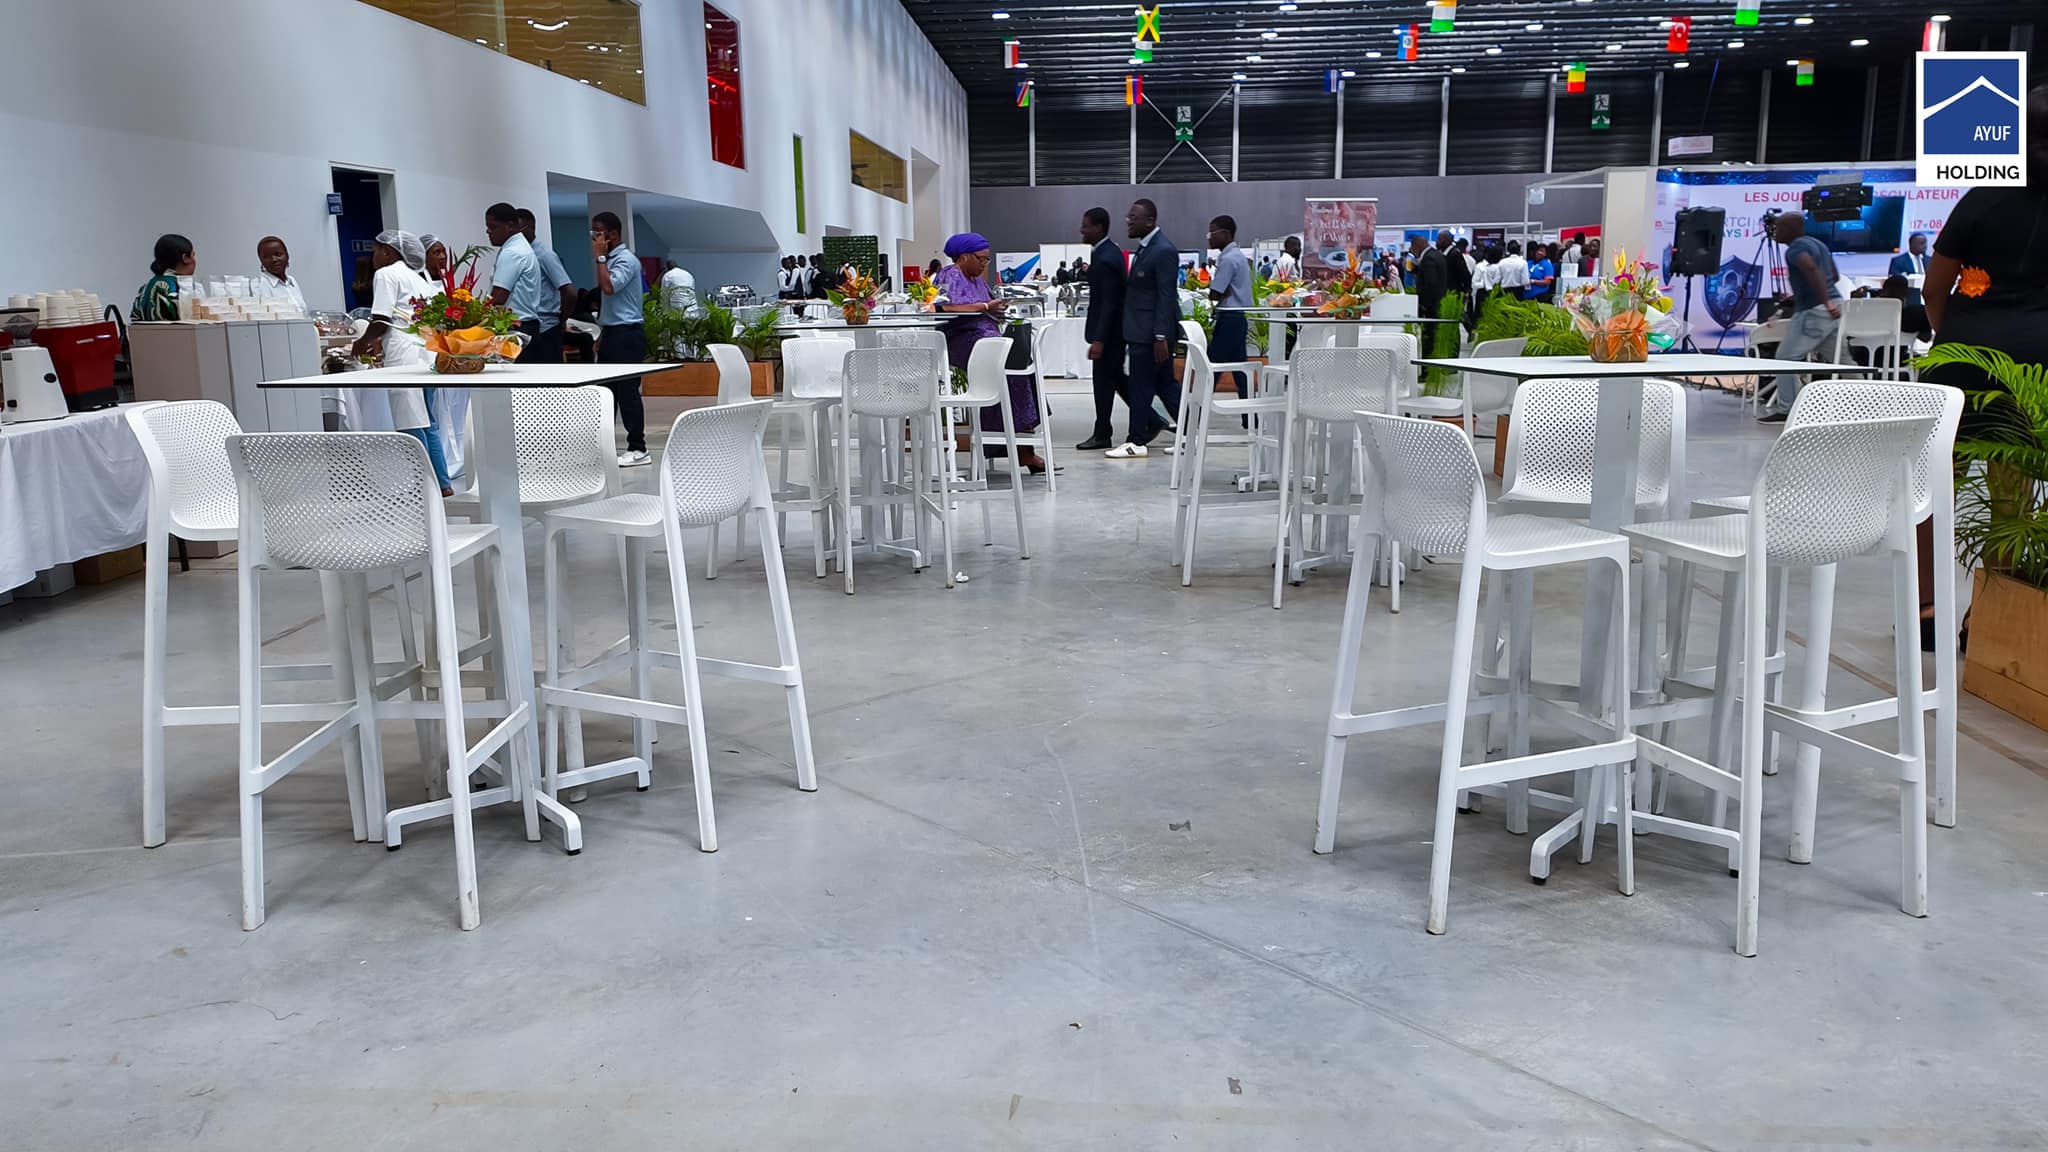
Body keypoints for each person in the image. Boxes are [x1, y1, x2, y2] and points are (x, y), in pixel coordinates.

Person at [1919, 83, 2048, 644]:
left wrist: (1955, 338)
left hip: (1961, 358)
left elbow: (1934, 287)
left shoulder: (1983, 197)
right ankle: (1986, 618)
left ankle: (1925, 612)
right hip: (2032, 367)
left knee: (1935, 486)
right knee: (2010, 495)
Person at [933, 233, 1047, 472]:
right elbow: (943, 306)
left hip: (986, 338)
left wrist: (996, 310)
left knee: (1021, 367)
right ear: (964, 257)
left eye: (987, 260)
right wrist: (985, 307)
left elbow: (987, 305)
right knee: (1005, 371)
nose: (985, 264)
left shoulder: (978, 280)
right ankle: (1022, 449)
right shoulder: (950, 275)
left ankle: (1024, 439)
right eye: (981, 259)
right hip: (963, 340)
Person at [349, 230, 451, 495]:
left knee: (410, 423)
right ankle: (442, 483)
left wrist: (362, 342)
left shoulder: (386, 274)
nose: (373, 256)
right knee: (428, 423)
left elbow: (382, 319)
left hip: (404, 355)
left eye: (375, 250)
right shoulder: (418, 279)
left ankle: (424, 487)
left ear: (388, 251)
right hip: (426, 353)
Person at [1107, 197, 1180, 459]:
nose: (1128, 221)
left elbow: (1166, 296)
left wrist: (1160, 335)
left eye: (1133, 217)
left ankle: (1136, 441)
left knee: (1140, 387)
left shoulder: (1163, 250)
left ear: (1150, 220)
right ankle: (1191, 435)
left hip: (1150, 335)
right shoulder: (1146, 248)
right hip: (1144, 332)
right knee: (1166, 386)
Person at [1756, 211, 1842, 423]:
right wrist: (1809, 296)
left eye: (1779, 228)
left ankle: (1788, 410)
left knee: (1785, 359)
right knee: (1843, 360)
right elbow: (1834, 275)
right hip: (1834, 306)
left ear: (1790, 230)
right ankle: (1869, 403)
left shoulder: (1795, 249)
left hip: (1814, 310)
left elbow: (1810, 268)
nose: (1775, 232)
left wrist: (1824, 301)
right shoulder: (1818, 244)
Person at [591, 210, 650, 467]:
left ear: (612, 234)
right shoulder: (609, 260)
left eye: (598, 233)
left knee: (627, 393)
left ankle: (638, 447)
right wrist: (603, 333)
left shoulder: (626, 260)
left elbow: (609, 288)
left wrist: (600, 257)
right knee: (606, 393)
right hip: (613, 333)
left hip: (627, 334)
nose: (594, 238)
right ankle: (603, 446)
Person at [1077, 207, 1128, 451]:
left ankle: (1102, 433)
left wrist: (1099, 339)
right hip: (1113, 332)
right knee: (1115, 379)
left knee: (1103, 384)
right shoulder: (1105, 252)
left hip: (1110, 334)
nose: (1081, 230)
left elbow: (1109, 302)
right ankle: (1151, 419)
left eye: (1085, 226)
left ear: (1098, 228)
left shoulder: (1106, 258)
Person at [512, 208, 576, 364]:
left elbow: (569, 292)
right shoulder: (519, 254)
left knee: (549, 377)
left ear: (529, 228)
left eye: (516, 229)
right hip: (528, 329)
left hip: (546, 329)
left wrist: (561, 319)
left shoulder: (544, 254)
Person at [484, 201, 544, 353]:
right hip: (527, 326)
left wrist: (475, 317)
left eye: (493, 227)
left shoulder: (512, 252)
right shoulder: (520, 247)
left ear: (509, 226)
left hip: (517, 329)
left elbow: (498, 297)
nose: (488, 232)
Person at [1207, 215, 1254, 399]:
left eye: (1212, 233)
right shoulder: (1238, 256)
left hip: (1228, 319)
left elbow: (1215, 293)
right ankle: (1249, 412)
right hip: (1238, 318)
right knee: (1240, 369)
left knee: (1212, 366)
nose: (1209, 237)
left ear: (1226, 234)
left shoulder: (1227, 259)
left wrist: (1218, 290)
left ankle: (1198, 410)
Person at [131, 233, 194, 321]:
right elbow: (188, 319)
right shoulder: (179, 287)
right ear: (185, 258)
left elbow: (134, 318)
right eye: (193, 255)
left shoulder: (145, 287)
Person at [250, 236, 306, 312]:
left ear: (287, 255)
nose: (274, 259)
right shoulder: (258, 286)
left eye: (278, 254)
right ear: (261, 260)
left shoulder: (292, 281)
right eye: (267, 256)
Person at [1889, 231, 1931, 306]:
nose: (1925, 246)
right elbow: (1894, 281)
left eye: (1925, 243)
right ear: (1912, 244)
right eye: (1922, 243)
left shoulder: (1930, 260)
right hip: (1909, 297)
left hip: (1927, 295)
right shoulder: (1898, 261)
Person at [1412, 234, 1447, 321]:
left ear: (1418, 246)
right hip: (1439, 299)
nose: (1412, 251)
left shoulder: (1428, 258)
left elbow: (1430, 282)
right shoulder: (1437, 254)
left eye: (1412, 247)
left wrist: (1423, 304)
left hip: (1430, 304)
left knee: (1430, 326)